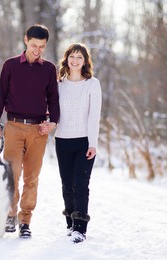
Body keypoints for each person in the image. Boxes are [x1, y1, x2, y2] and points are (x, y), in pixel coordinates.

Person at [0, 24, 60, 239]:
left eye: (41, 47)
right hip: (13, 126)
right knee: (12, 174)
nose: (37, 50)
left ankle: (25, 221)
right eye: (33, 45)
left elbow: (54, 99)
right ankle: (10, 215)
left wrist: (53, 122)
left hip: (39, 129)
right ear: (25, 40)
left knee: (32, 178)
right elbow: (0, 95)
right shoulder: (10, 65)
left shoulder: (49, 69)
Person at [54, 43, 102, 243]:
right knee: (67, 185)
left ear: (85, 61)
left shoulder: (92, 84)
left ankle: (80, 228)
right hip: (62, 140)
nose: (75, 60)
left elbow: (94, 116)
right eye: (72, 56)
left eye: (79, 57)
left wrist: (93, 143)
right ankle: (70, 224)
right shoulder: (58, 84)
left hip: (84, 142)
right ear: (66, 59)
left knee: (81, 184)